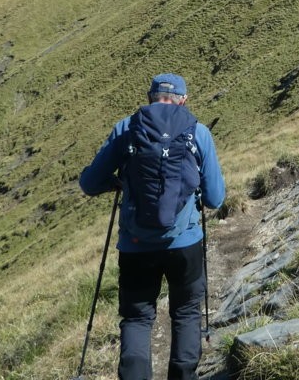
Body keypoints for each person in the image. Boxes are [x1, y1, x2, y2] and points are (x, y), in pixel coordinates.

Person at [79, 73, 225, 380]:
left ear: (150, 97)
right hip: (185, 243)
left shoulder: (127, 129)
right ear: (183, 100)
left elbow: (89, 183)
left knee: (137, 318)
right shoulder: (198, 132)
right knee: (185, 313)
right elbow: (214, 198)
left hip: (135, 244)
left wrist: (116, 183)